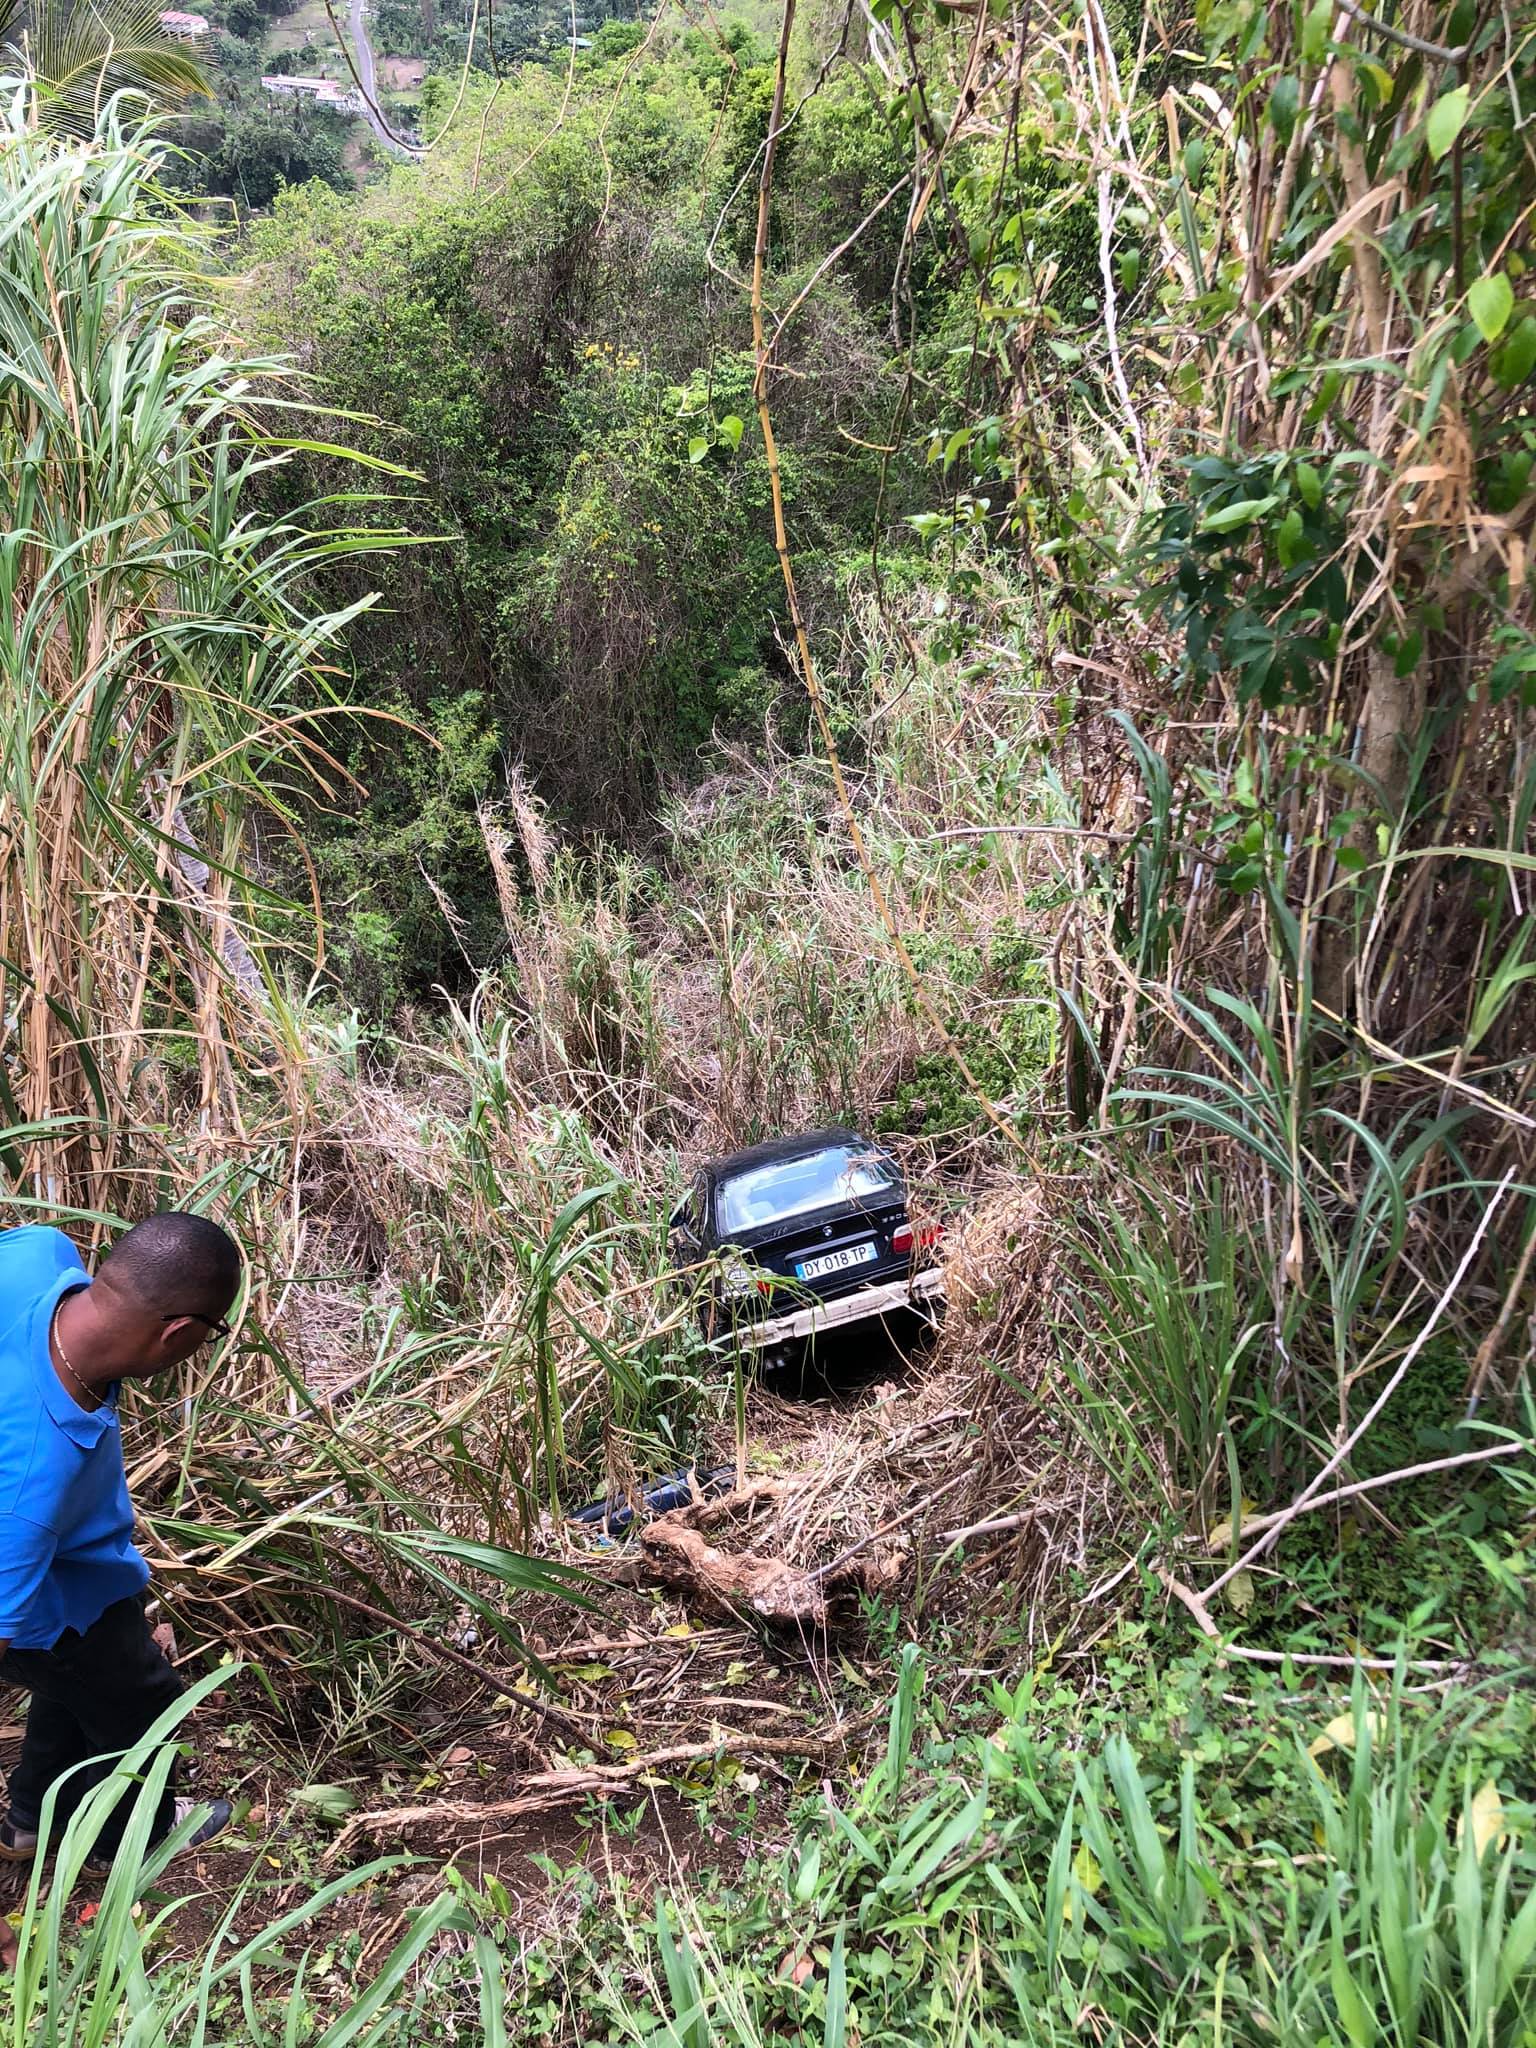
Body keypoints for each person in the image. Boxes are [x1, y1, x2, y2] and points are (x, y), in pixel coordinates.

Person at [0, 1212, 241, 1957]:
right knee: (144, 1707)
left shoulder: (37, 1258)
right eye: (212, 1334)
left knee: (75, 1701)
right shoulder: (38, 1472)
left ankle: (32, 1818)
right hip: (54, 1605)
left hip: (64, 1575)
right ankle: (131, 1833)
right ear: (177, 1334)